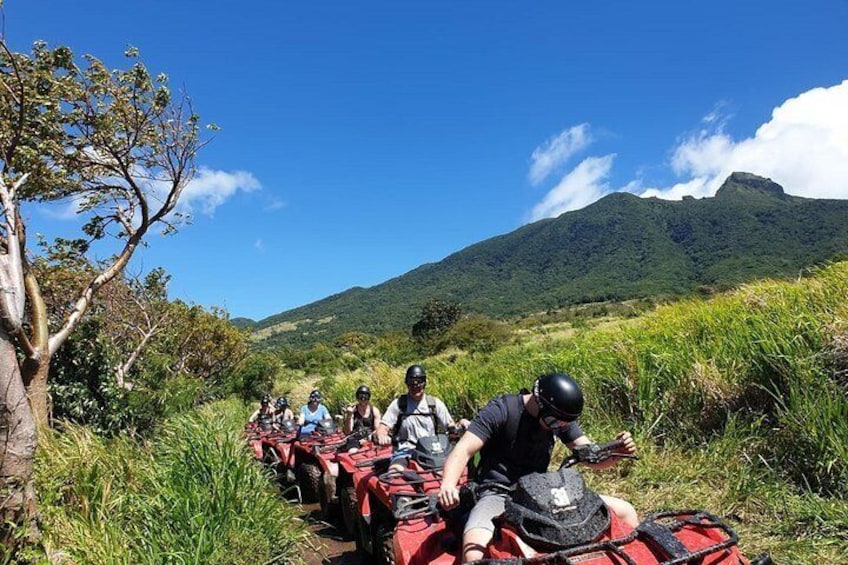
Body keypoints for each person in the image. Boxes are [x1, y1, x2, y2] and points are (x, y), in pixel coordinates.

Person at [437, 372, 638, 563]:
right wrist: (448, 484)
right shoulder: (501, 409)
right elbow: (462, 450)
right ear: (540, 403)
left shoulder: (559, 418)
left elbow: (589, 456)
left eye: (564, 423)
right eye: (555, 422)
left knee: (626, 511)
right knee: (474, 552)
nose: (559, 427)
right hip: (498, 493)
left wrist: (617, 453)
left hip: (541, 493)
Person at [375, 365, 469, 471]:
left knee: (456, 470)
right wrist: (382, 436)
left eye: (419, 383)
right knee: (394, 472)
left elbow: (451, 427)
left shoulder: (434, 404)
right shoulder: (399, 404)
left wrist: (460, 424)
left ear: (424, 383)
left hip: (432, 453)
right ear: (407, 384)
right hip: (406, 450)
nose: (416, 387)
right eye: (412, 384)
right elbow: (383, 427)